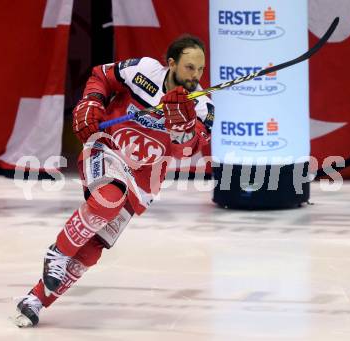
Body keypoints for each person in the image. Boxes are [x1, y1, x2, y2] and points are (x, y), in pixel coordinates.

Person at [13, 34, 214, 327]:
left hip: (144, 178)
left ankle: (35, 301)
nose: (195, 76)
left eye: (200, 69)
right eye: (189, 67)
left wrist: (180, 126)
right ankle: (58, 251)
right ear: (171, 63)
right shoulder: (144, 70)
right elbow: (102, 76)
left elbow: (187, 150)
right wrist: (92, 100)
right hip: (107, 148)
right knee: (109, 197)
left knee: (93, 248)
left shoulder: (202, 106)